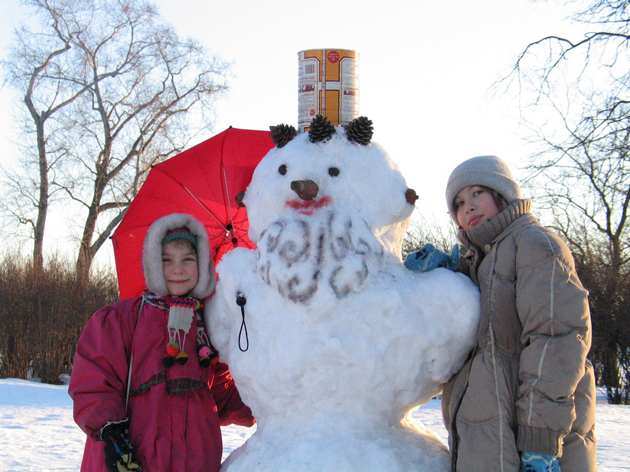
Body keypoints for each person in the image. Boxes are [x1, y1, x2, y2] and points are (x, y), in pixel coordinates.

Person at [410, 156, 597, 471]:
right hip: (487, 440)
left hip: (534, 437)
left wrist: (541, 438)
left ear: (503, 194)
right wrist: (447, 274)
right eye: (458, 203)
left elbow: (557, 340)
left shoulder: (535, 245)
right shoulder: (481, 260)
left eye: (477, 193)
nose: (468, 207)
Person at [69, 213, 254, 472]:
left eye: (188, 260)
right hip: (132, 458)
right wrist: (113, 436)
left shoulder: (207, 326)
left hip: (194, 460)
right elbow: (94, 383)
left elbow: (222, 395)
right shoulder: (120, 320)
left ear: (203, 265)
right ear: (152, 263)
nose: (177, 269)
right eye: (166, 260)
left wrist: (266, 405)